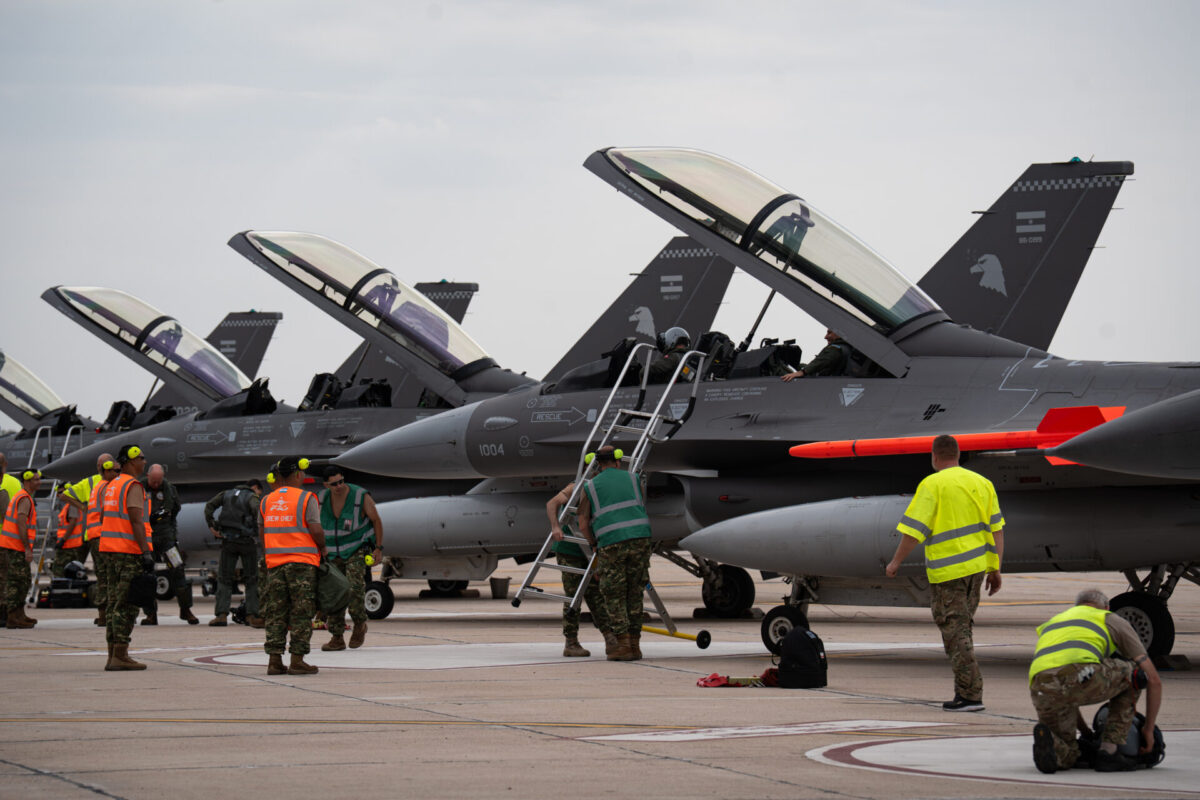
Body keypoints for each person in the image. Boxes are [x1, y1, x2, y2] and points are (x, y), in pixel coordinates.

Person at [885, 434, 1004, 711]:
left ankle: (971, 696)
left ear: (934, 457)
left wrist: (895, 562)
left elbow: (914, 530)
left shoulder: (932, 484)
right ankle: (965, 692)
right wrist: (995, 568)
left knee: (955, 633)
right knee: (963, 630)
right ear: (958, 455)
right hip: (975, 571)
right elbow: (997, 528)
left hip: (949, 573)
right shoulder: (982, 483)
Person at [1029, 588, 1163, 774]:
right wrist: (1148, 730)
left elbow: (1066, 689)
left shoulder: (1055, 621)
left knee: (1070, 753)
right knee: (1134, 673)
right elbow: (1153, 679)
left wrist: (1086, 734)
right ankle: (1110, 751)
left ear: (1077, 607)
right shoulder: (1109, 618)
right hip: (1077, 676)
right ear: (1107, 607)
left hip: (1041, 686)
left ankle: (1056, 747)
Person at [576, 446, 652, 662]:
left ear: (598, 465)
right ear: (618, 462)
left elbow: (582, 523)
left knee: (614, 593)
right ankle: (636, 646)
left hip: (612, 543)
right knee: (635, 592)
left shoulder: (590, 486)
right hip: (640, 540)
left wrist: (593, 543)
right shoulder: (634, 478)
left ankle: (623, 646)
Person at [260, 457, 325, 675]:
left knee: (276, 612)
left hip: (275, 564)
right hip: (302, 563)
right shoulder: (307, 498)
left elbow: (262, 532)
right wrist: (323, 549)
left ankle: (274, 661)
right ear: (297, 474)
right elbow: (315, 530)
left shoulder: (266, 500)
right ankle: (297, 660)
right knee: (301, 612)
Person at [99, 445, 154, 670]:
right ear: (132, 460)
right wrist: (146, 551)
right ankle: (120, 655)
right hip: (127, 550)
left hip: (110, 550)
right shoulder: (132, 485)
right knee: (128, 604)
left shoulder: (112, 485)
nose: (145, 462)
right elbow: (135, 519)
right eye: (142, 458)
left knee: (113, 603)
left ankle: (113, 654)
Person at [317, 467, 382, 651]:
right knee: (334, 594)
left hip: (356, 549)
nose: (339, 486)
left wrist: (378, 548)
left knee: (354, 589)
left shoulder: (360, 495)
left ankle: (360, 624)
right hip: (331, 553)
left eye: (341, 481)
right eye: (334, 484)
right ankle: (337, 637)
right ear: (326, 485)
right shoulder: (321, 499)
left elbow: (376, 520)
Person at [546, 481, 614, 657]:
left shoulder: (602, 488)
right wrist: (555, 526)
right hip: (570, 550)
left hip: (590, 550)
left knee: (595, 595)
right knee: (573, 596)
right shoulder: (577, 486)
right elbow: (552, 503)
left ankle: (610, 638)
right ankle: (571, 642)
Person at [62, 453, 117, 627]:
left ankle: (104, 614)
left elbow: (64, 495)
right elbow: (64, 495)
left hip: (98, 536)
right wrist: (82, 507)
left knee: (104, 575)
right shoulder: (105, 482)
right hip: (104, 536)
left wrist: (83, 507)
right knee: (109, 575)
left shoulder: (95, 482)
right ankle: (106, 614)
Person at [204, 478, 265, 627]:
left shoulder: (226, 494)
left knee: (224, 578)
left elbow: (209, 506)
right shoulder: (252, 497)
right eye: (259, 491)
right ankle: (252, 615)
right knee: (251, 579)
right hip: (246, 542)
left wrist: (212, 526)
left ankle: (221, 615)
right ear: (255, 487)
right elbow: (258, 512)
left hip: (228, 541)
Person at [141, 464, 196, 625]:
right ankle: (150, 614)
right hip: (147, 538)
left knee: (178, 569)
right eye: (154, 481)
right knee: (146, 574)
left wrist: (169, 530)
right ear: (148, 476)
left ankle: (186, 610)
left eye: (159, 481)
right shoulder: (139, 487)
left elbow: (176, 509)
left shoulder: (170, 489)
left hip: (166, 537)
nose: (156, 484)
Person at [1, 468, 41, 628]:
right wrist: (27, 548)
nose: (39, 482)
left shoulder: (24, 497)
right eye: (36, 480)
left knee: (23, 581)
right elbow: (21, 523)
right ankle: (12, 617)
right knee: (17, 582)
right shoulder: (24, 498)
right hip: (15, 547)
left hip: (13, 546)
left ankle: (20, 614)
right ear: (27, 481)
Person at [780, 329, 849, 380]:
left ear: (840, 333)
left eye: (829, 333)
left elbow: (823, 361)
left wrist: (802, 372)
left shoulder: (836, 349)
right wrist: (799, 367)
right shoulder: (845, 348)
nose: (826, 337)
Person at [51, 486, 86, 577]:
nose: (59, 496)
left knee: (59, 570)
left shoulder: (72, 505)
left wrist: (63, 539)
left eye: (61, 492)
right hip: (68, 545)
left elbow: (72, 522)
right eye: (58, 493)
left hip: (69, 546)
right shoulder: (67, 506)